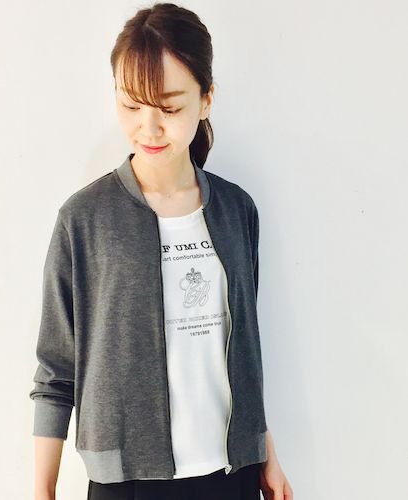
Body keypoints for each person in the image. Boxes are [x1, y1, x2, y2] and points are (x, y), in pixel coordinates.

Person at [29, 3, 294, 500]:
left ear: (206, 99)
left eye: (169, 108)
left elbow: (242, 353)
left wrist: (267, 454)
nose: (148, 128)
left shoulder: (236, 211)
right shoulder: (84, 220)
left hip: (233, 475)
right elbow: (55, 372)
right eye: (131, 106)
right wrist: (43, 491)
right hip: (128, 483)